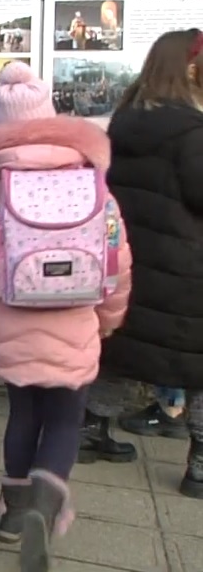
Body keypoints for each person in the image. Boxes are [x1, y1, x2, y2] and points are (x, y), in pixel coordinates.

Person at [0, 63, 132, 569]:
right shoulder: (90, 180)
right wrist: (110, 316)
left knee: (23, 414)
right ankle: (47, 503)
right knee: (66, 419)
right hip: (75, 321)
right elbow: (115, 260)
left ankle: (14, 512)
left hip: (9, 322)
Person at [98, 28, 203, 499]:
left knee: (117, 352)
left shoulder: (124, 120)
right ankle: (200, 463)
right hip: (186, 268)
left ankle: (90, 429)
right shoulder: (194, 132)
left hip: (133, 262)